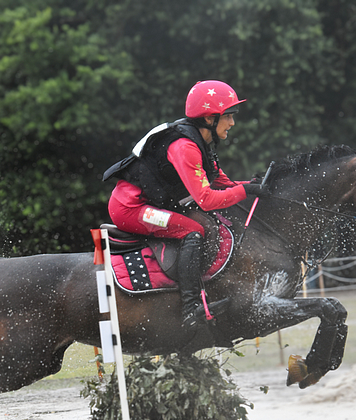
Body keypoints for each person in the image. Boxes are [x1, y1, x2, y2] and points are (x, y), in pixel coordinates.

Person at [104, 80, 269, 329]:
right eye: (229, 116)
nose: (233, 123)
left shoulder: (202, 143)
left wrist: (257, 185)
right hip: (131, 210)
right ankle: (191, 308)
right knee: (193, 230)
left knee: (201, 224)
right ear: (210, 118)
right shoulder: (185, 147)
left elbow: (223, 183)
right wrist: (245, 191)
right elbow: (206, 199)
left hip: (150, 204)